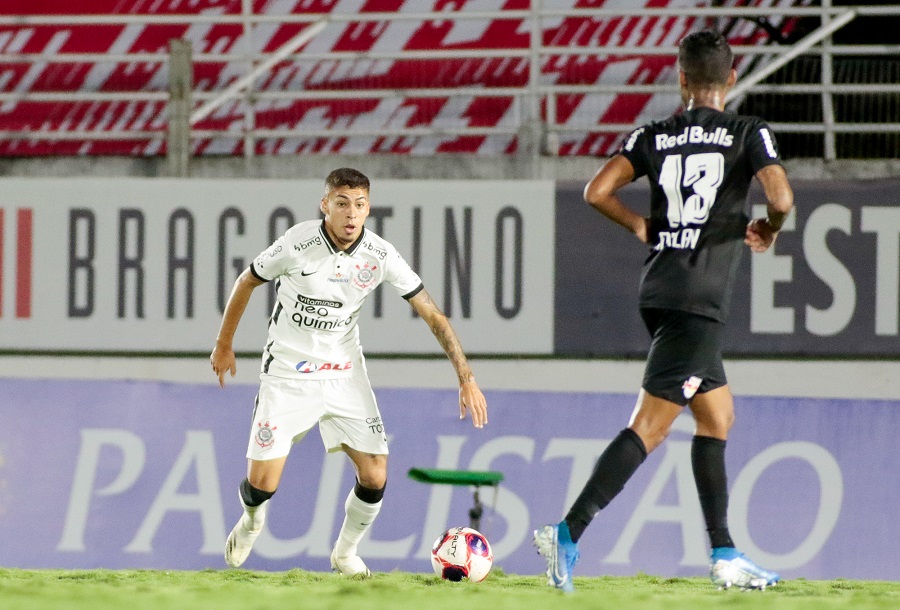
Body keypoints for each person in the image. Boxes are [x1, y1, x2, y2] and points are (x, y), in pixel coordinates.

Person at [534, 30, 794, 592]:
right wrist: (767, 231)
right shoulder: (748, 131)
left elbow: (596, 190)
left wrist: (639, 225)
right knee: (649, 428)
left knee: (717, 416)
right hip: (698, 299)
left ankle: (725, 553)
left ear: (681, 79)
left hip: (660, 290)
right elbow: (780, 199)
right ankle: (567, 532)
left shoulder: (654, 134)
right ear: (731, 77)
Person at [210, 167, 488, 576]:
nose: (351, 214)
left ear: (368, 208)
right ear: (325, 205)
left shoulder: (379, 255)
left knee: (375, 473)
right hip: (288, 370)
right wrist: (224, 344)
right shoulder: (297, 243)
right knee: (261, 486)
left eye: (359, 205)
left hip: (343, 371)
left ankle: (345, 552)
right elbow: (246, 281)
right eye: (342, 204)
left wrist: (467, 378)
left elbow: (433, 315)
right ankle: (252, 520)